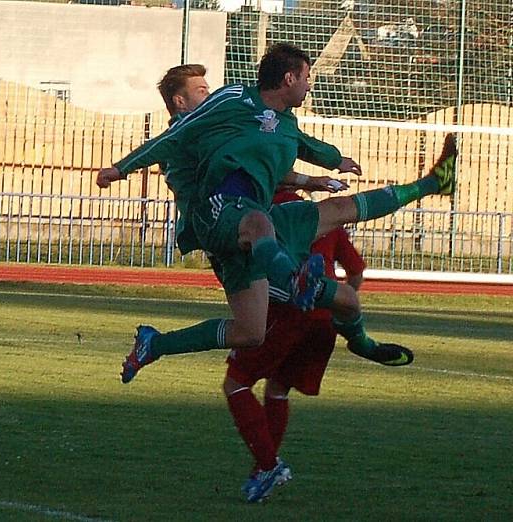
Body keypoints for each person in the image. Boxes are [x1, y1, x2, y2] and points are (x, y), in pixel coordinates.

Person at [97, 44, 455, 382]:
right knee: (258, 223)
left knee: (285, 314)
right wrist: (121, 168)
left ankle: (431, 185)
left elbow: (281, 149)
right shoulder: (203, 122)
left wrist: (324, 169)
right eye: (202, 91)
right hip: (217, 217)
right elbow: (176, 142)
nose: (210, 95)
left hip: (254, 220)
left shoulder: (269, 120)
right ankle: (295, 276)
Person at [226, 190, 368, 503]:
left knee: (236, 383)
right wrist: (335, 302)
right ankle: (261, 472)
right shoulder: (322, 214)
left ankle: (267, 465)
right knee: (277, 389)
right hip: (324, 319)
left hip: (286, 311)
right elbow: (356, 271)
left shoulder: (263, 210)